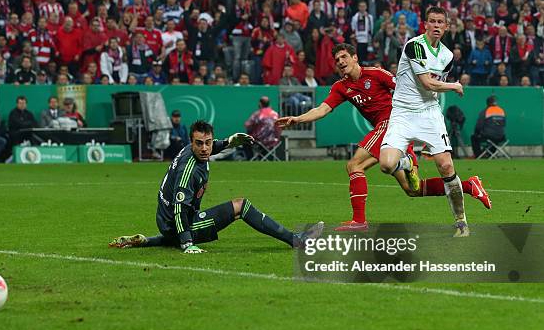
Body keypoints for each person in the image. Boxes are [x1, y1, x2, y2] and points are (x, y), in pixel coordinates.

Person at [276, 42, 490, 232]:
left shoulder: (377, 74)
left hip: (393, 124)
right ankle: (469, 185)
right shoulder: (341, 87)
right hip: (391, 137)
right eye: (337, 59)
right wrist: (297, 119)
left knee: (354, 165)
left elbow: (406, 89)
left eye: (344, 57)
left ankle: (359, 220)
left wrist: (425, 123)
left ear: (355, 58)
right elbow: (322, 109)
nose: (340, 62)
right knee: (412, 190)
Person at [109, 120, 323, 252]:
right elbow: (178, 207)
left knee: (231, 208)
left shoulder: (192, 150)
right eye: (199, 143)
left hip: (167, 223)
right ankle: (295, 240)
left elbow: (214, 146)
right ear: (191, 142)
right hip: (178, 222)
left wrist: (229, 142)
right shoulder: (189, 170)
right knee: (241, 205)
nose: (205, 148)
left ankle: (146, 242)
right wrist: (186, 242)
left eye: (208, 142)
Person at [378, 7, 472, 237]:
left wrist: (446, 85)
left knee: (447, 166)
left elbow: (435, 86)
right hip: (402, 112)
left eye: (441, 22)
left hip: (429, 112)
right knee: (387, 165)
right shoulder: (414, 46)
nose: (437, 25)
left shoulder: (447, 56)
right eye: (433, 21)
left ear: (447, 26)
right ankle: (407, 164)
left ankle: (461, 221)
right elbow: (428, 83)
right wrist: (454, 86)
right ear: (425, 24)